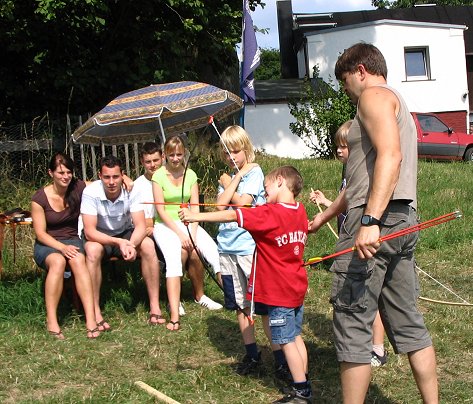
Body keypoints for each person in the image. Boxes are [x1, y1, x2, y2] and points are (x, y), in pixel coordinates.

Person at [309, 43, 438, 403]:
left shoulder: (374, 97)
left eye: (345, 80)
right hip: (401, 221)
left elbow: (391, 157)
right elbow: (361, 179)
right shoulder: (397, 102)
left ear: (361, 70)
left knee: (352, 323)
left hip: (375, 223)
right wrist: (325, 216)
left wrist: (370, 220)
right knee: (409, 322)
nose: (346, 90)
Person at [179, 166, 312, 404]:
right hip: (296, 286)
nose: (264, 191)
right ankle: (304, 378)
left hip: (279, 291)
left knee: (286, 340)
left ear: (281, 181)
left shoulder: (269, 214)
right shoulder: (300, 210)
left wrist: (195, 216)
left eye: (267, 187)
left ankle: (301, 391)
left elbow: (233, 214)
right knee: (296, 335)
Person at [310, 120, 387, 367]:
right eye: (338, 147)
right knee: (363, 295)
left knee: (368, 295)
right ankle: (365, 346)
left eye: (345, 146)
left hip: (362, 239)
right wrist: (324, 204)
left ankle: (377, 348)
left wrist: (325, 214)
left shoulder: (362, 171)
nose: (340, 151)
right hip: (352, 236)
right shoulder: (349, 173)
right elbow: (345, 202)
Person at [215, 125, 289, 380]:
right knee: (240, 304)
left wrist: (231, 182)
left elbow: (244, 203)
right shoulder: (229, 177)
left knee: (263, 306)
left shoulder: (255, 172)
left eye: (235, 151)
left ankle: (280, 359)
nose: (231, 157)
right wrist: (231, 179)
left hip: (248, 248)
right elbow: (219, 204)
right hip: (227, 247)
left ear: (246, 149)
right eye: (227, 153)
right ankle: (252, 353)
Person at [81, 155, 163, 330]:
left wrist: (131, 244)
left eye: (116, 177)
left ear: (122, 175)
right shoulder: (91, 192)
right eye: (107, 177)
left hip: (125, 233)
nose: (111, 182)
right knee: (93, 251)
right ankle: (95, 311)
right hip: (99, 235)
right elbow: (89, 231)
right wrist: (118, 242)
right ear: (99, 176)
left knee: (148, 245)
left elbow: (140, 225)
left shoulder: (131, 190)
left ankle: (155, 306)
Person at [152, 135, 222, 332]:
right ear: (165, 154)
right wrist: (181, 235)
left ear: (184, 154)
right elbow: (161, 211)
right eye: (171, 154)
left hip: (189, 222)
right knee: (174, 258)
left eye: (179, 154)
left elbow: (195, 208)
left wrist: (191, 230)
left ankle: (233, 300)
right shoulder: (158, 176)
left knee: (214, 253)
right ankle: (174, 315)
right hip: (165, 225)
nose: (175, 158)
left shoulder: (190, 175)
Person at [31, 153, 99, 339]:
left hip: (72, 239)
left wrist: (125, 178)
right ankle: (52, 320)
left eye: (69, 172)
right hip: (48, 243)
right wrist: (60, 248)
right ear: (50, 173)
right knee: (58, 262)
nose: (65, 176)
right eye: (61, 172)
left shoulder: (77, 187)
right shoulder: (39, 199)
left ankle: (91, 318)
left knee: (78, 260)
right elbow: (40, 233)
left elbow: (100, 182)